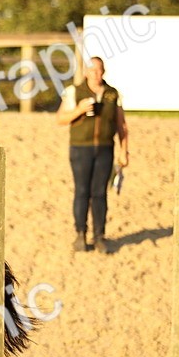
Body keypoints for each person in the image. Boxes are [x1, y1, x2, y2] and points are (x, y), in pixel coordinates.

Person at [55, 56, 130, 253]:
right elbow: (61, 119)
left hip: (105, 148)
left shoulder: (112, 94)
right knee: (82, 191)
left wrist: (124, 150)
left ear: (103, 72)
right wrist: (79, 110)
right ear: (86, 72)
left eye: (99, 71)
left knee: (100, 193)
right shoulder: (74, 92)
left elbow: (121, 124)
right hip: (80, 148)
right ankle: (80, 233)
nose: (96, 74)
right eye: (92, 70)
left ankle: (99, 236)